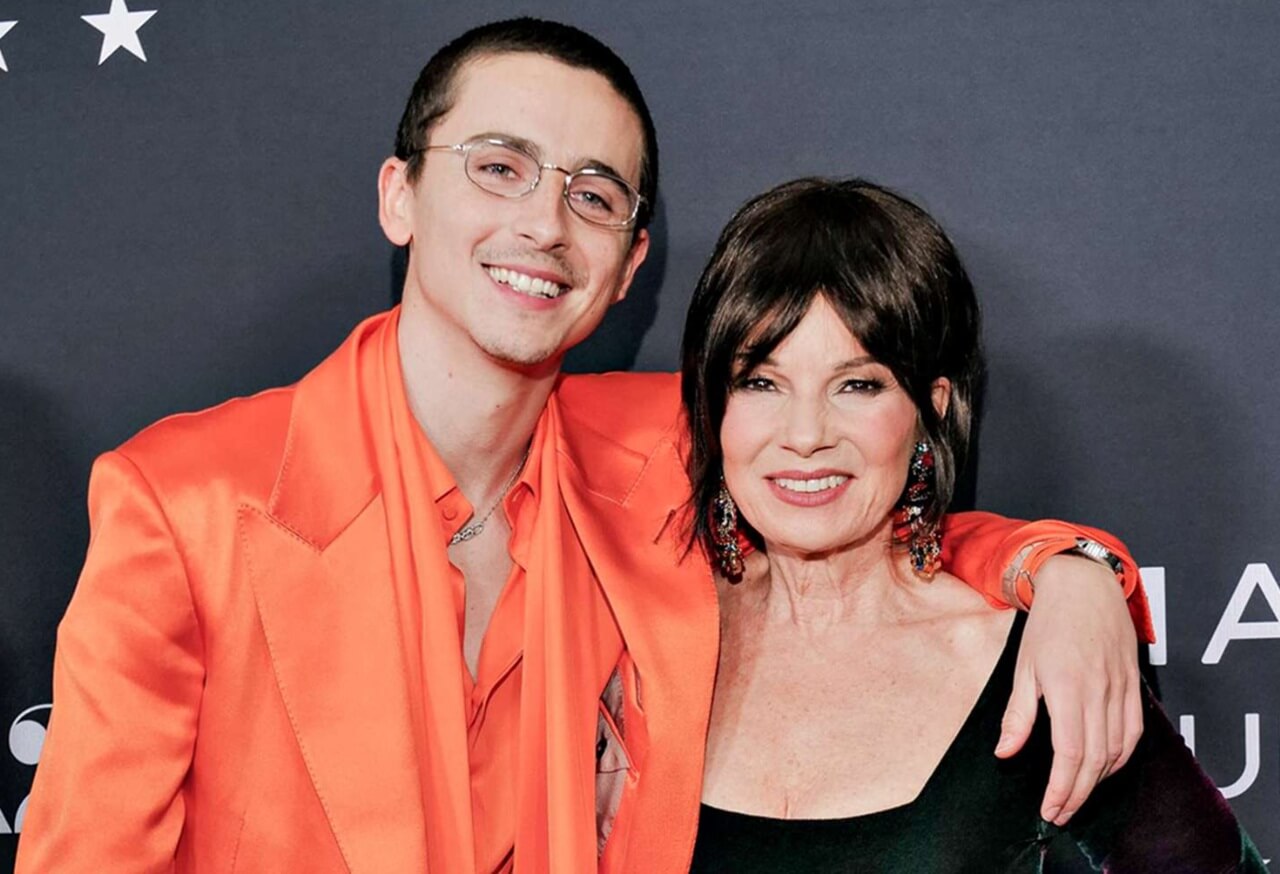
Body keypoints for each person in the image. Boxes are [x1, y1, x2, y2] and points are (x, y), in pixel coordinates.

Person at [17, 19, 1153, 874]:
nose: (544, 223)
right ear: (399, 195)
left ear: (626, 266)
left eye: (594, 195)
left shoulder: (665, 443)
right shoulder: (186, 501)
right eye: (499, 166)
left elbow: (856, 484)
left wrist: (1063, 572)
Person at [661, 177, 1265, 872]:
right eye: (761, 382)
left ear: (933, 406)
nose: (804, 435)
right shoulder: (638, 645)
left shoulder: (1043, 668)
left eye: (858, 385)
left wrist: (1075, 572)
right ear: (712, 400)